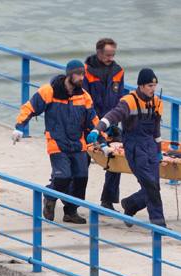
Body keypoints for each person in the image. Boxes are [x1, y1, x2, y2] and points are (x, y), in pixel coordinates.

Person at [12, 59, 104, 224]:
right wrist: (20, 126)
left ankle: (70, 211)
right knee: (63, 178)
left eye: (83, 74)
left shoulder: (84, 96)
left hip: (78, 144)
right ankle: (49, 196)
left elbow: (94, 122)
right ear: (69, 73)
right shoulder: (49, 91)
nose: (82, 77)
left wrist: (103, 141)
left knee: (81, 178)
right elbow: (30, 108)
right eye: (78, 74)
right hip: (57, 142)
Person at [88, 68, 167, 228]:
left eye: (154, 85)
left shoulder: (157, 102)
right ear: (141, 86)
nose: (153, 88)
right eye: (150, 85)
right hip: (135, 148)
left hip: (151, 147)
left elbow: (156, 130)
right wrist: (97, 129)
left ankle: (130, 204)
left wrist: (158, 152)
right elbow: (111, 116)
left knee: (154, 186)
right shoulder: (128, 102)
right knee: (151, 187)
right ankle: (159, 226)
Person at [82, 38, 125, 212]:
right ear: (98, 52)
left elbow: (120, 100)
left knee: (115, 162)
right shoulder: (85, 71)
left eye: (113, 54)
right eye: (108, 54)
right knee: (81, 164)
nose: (111, 57)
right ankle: (73, 201)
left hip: (110, 123)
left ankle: (108, 200)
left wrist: (113, 123)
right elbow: (84, 101)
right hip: (88, 124)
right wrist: (95, 124)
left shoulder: (118, 71)